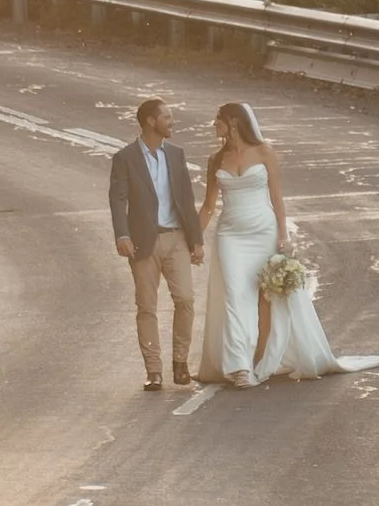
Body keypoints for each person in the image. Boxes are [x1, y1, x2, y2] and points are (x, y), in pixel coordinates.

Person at [203, 97, 345, 385]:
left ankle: (263, 356)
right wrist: (193, 240)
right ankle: (238, 366)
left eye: (218, 119)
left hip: (263, 231)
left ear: (233, 123)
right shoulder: (216, 160)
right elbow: (207, 206)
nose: (214, 125)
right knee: (234, 294)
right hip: (229, 235)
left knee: (265, 299)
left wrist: (284, 236)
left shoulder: (265, 152)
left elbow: (277, 198)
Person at [107, 96, 203, 391]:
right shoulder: (125, 158)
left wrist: (196, 240)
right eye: (167, 117)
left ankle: (180, 362)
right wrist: (122, 235)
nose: (172, 122)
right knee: (146, 306)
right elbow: (118, 199)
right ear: (151, 121)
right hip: (142, 242)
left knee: (185, 299)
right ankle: (153, 370)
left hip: (176, 237)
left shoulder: (176, 154)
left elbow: (186, 199)